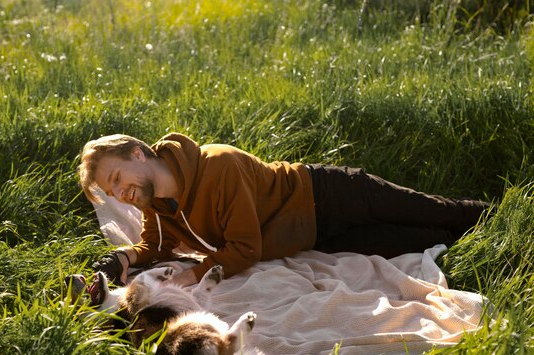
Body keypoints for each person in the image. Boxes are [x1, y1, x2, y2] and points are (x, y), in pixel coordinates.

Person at [78, 132, 490, 287]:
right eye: (110, 192)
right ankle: (492, 245)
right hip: (317, 236)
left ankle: (509, 212)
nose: (120, 195)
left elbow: (245, 247)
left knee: (437, 212)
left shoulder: (218, 165)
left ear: (137, 153)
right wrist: (122, 259)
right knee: (423, 241)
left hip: (329, 192)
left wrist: (195, 275)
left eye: (117, 179)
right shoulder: (161, 206)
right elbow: (154, 244)